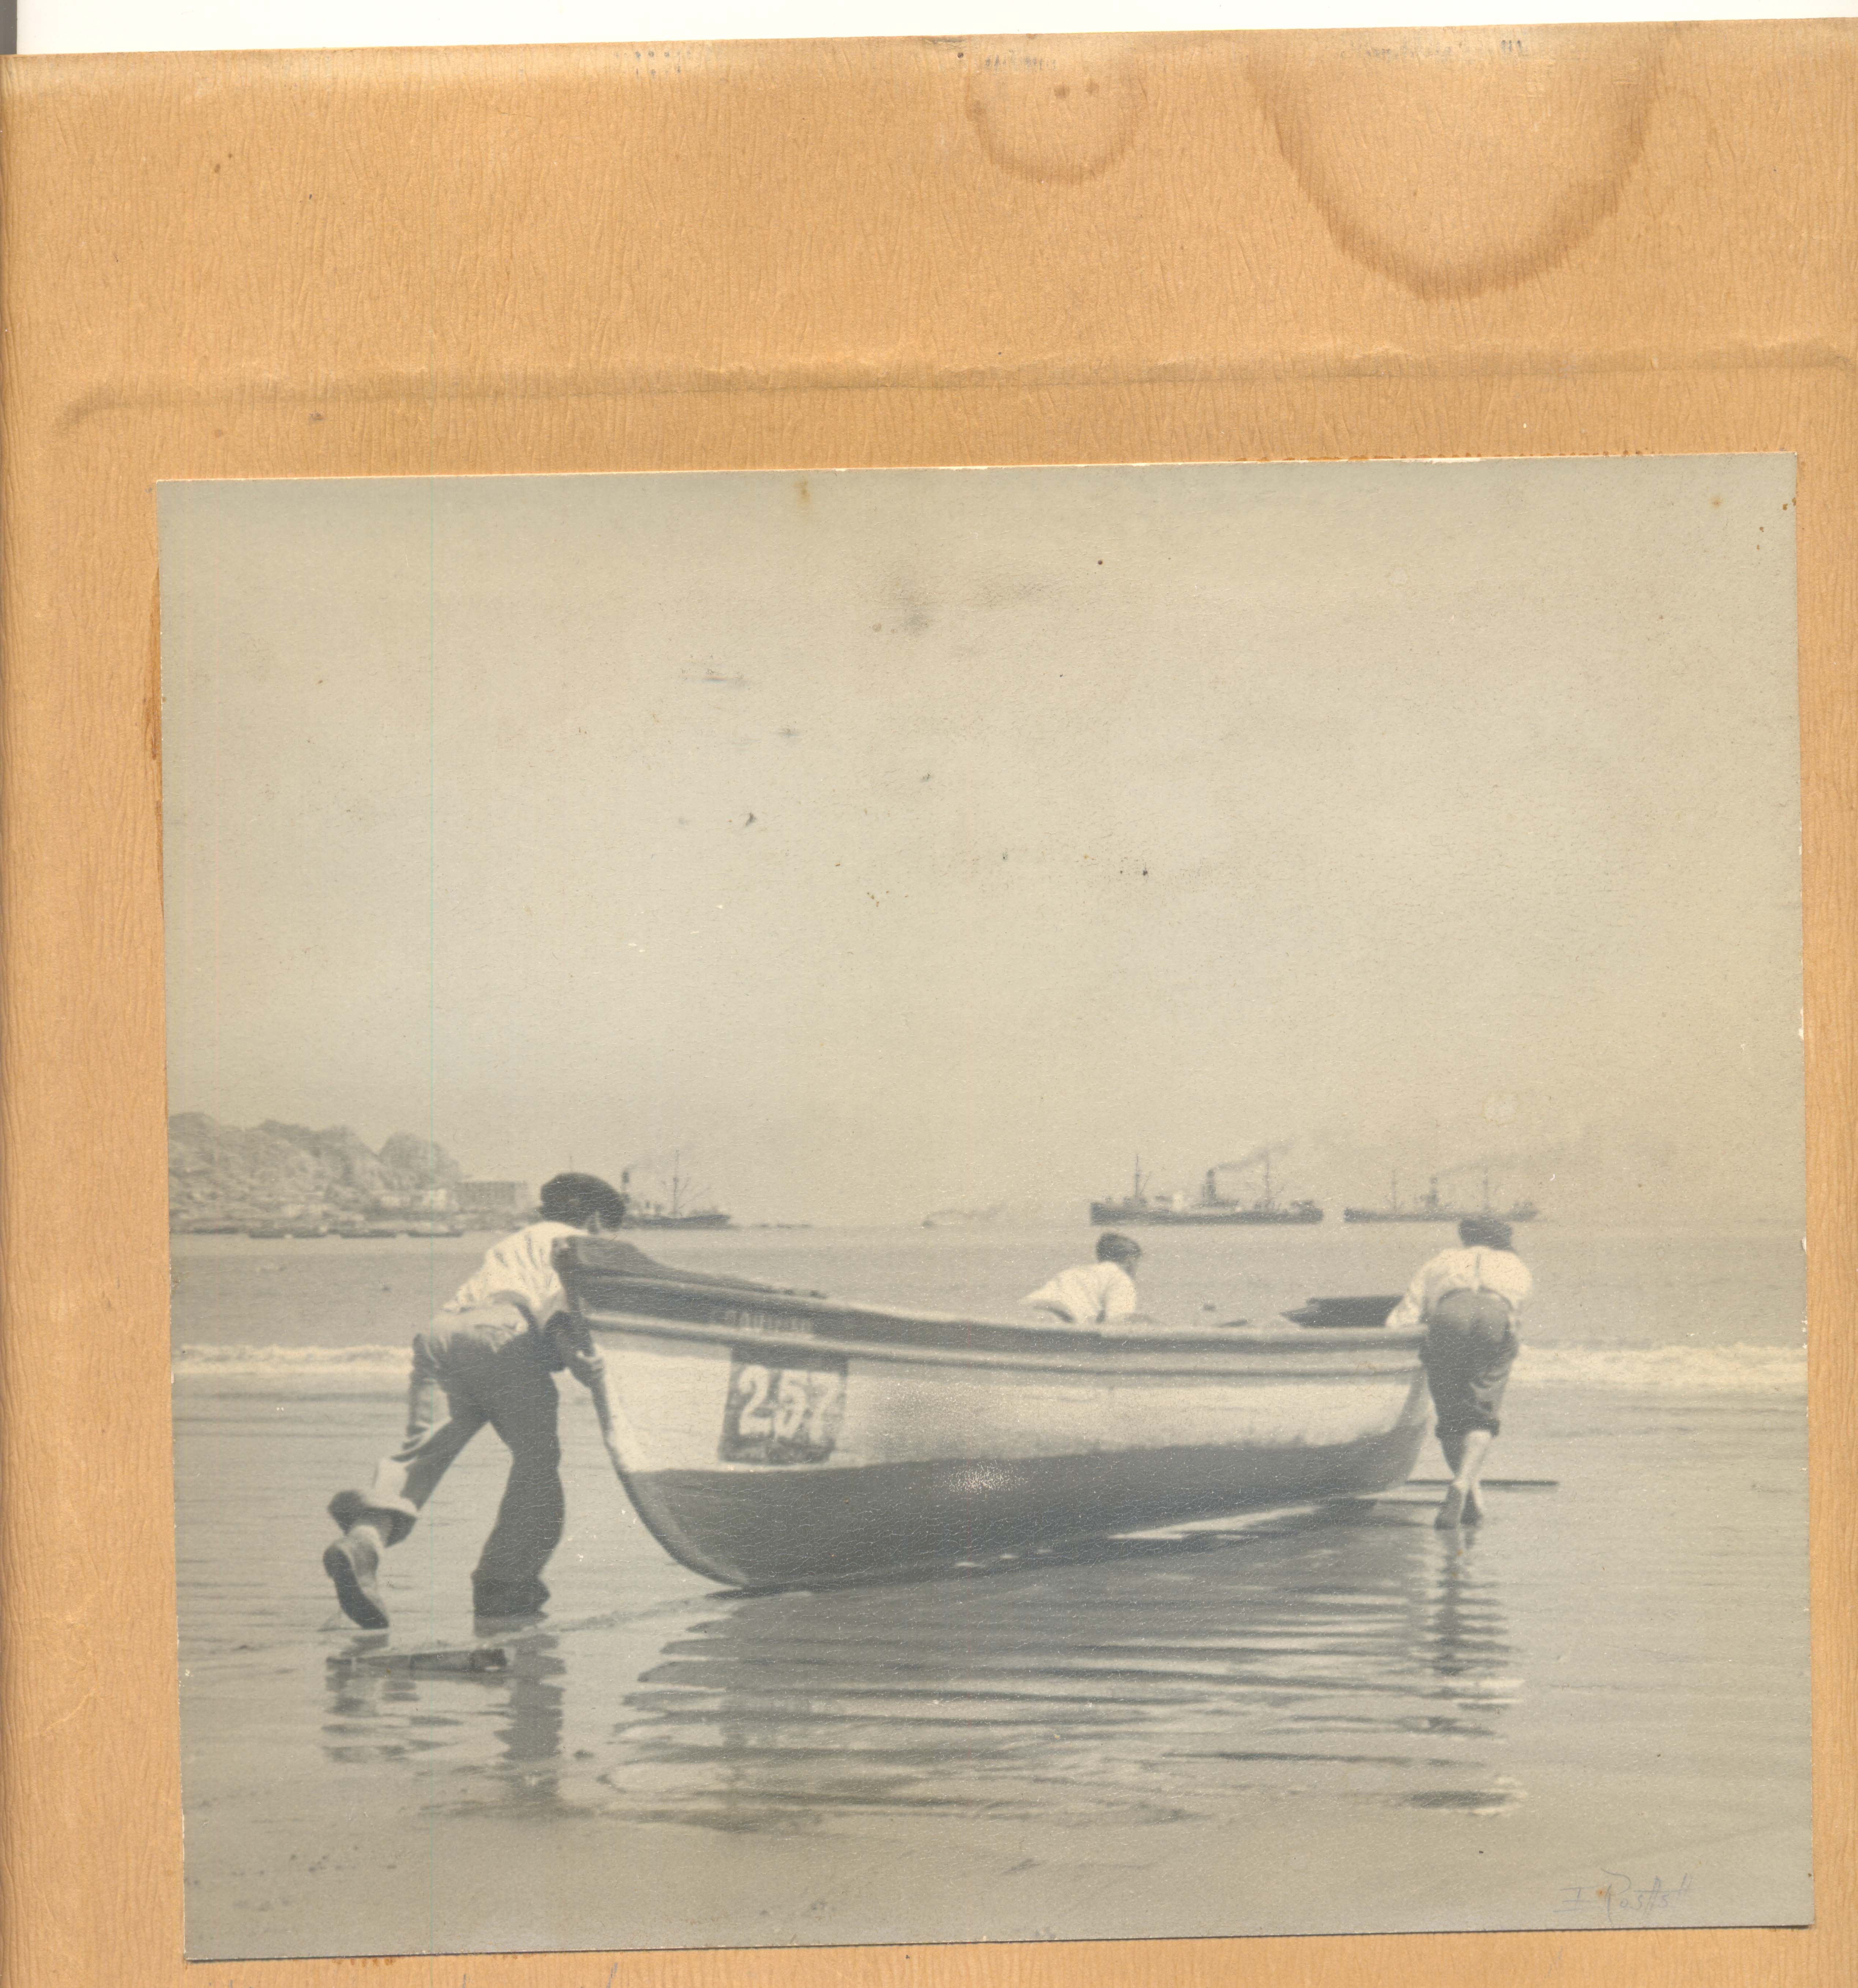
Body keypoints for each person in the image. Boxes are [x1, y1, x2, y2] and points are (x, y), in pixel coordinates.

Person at [322, 1170, 629, 1628]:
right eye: (610, 1231)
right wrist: (579, 1361)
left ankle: (365, 1541)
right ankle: (504, 1582)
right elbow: (556, 1306)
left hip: (442, 1332)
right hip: (504, 1338)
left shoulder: (515, 1241)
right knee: (537, 1462)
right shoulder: (575, 1242)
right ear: (595, 1219)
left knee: (419, 1456)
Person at [1386, 1214, 1532, 1530]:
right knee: (1482, 1414)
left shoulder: (1443, 1259)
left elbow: (1406, 1315)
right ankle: (1464, 1487)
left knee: (1452, 1415)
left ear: (1466, 1238)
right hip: (1496, 1316)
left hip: (1449, 1315)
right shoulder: (1515, 1265)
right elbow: (1516, 1313)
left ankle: (1472, 1495)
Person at [1023, 1232, 1144, 1324]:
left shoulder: (1077, 1271)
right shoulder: (1120, 1278)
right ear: (1130, 1261)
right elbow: (1118, 1322)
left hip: (1029, 1309)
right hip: (1062, 1318)